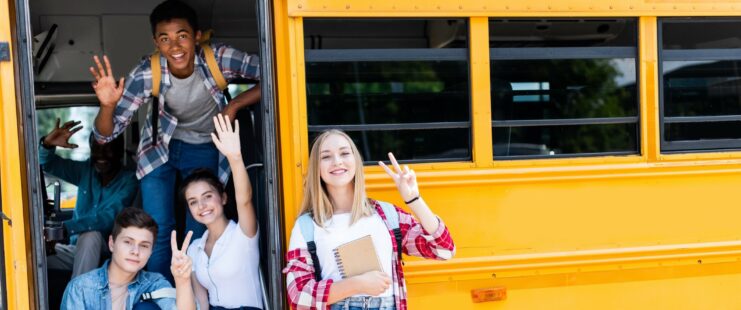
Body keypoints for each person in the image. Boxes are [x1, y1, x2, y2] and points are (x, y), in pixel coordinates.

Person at [89, 0, 261, 281]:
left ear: (196, 36)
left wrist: (234, 105)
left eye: (182, 35)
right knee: (157, 229)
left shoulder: (219, 58)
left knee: (200, 227)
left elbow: (277, 72)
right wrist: (107, 105)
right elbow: (106, 134)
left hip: (205, 146)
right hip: (159, 150)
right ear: (156, 42)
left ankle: (194, 293)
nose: (175, 46)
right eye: (165, 39)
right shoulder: (147, 72)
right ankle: (162, 294)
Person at [282, 130, 456, 310]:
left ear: (356, 161)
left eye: (344, 153)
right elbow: (298, 295)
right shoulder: (307, 226)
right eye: (326, 157)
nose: (337, 161)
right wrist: (357, 284)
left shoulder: (386, 215)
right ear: (316, 168)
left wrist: (414, 199)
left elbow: (444, 250)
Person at [182, 115, 262, 309]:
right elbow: (202, 303)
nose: (201, 205)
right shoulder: (194, 249)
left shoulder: (243, 234)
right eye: (193, 202)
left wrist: (235, 158)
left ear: (224, 198)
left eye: (208, 196)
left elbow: (245, 200)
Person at [40, 119, 138, 278]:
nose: (101, 155)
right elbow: (47, 164)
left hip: (110, 255)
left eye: (108, 149)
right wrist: (47, 145)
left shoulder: (129, 180)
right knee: (34, 251)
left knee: (91, 235)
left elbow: (107, 217)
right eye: (96, 149)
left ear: (120, 152)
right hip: (76, 251)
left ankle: (78, 300)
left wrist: (66, 228)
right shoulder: (86, 170)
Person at [60, 207, 196, 310]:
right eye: (128, 242)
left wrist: (182, 280)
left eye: (144, 245)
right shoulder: (81, 288)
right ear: (112, 243)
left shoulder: (154, 283)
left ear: (151, 252)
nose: (135, 251)